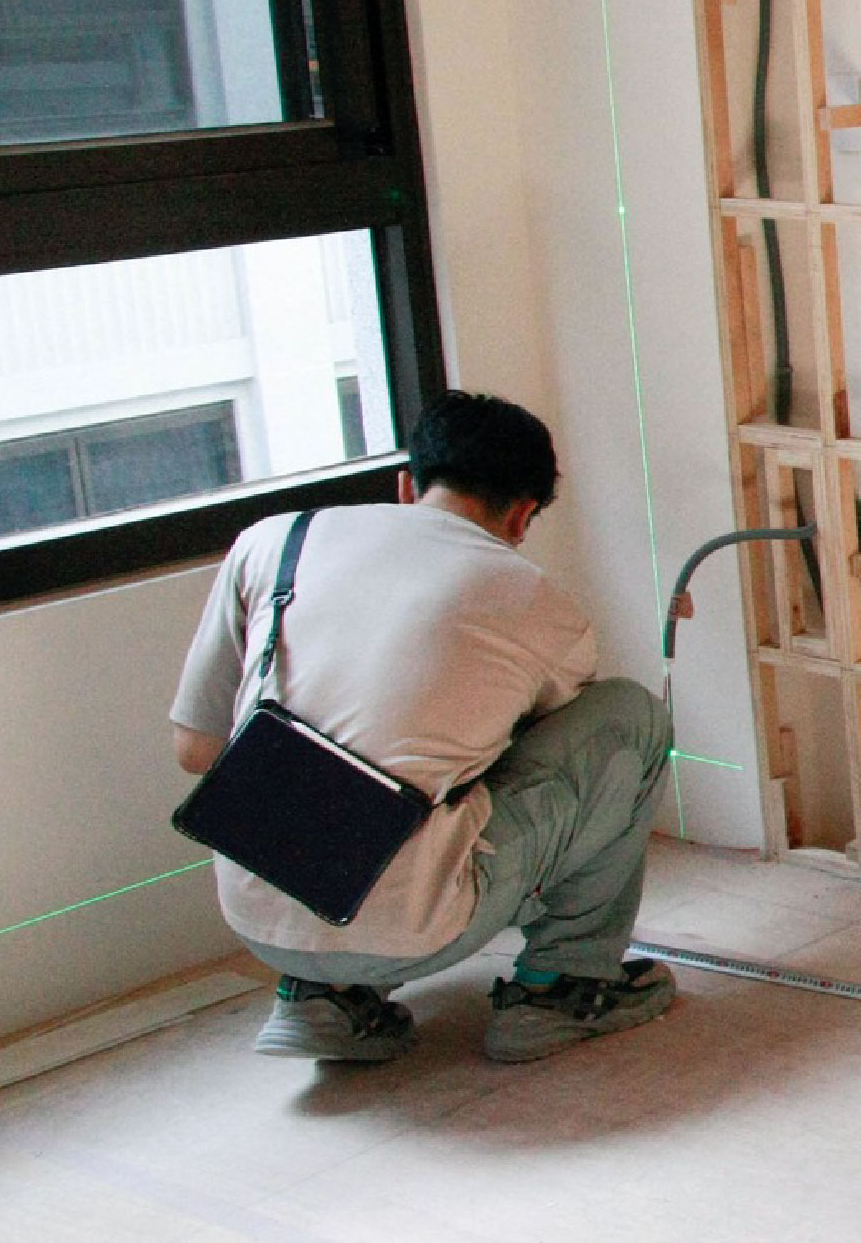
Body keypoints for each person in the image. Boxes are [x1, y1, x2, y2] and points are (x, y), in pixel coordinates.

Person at [168, 390, 678, 1065]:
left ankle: (321, 995)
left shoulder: (275, 542)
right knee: (630, 718)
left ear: (407, 485)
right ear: (522, 514)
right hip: (410, 929)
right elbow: (551, 751)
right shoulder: (533, 599)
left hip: (257, 917)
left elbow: (197, 749)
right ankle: (559, 986)